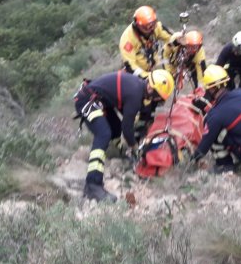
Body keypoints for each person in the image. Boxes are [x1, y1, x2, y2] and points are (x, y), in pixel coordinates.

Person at [73, 69, 175, 202]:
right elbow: (127, 129)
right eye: (158, 97)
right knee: (103, 134)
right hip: (87, 100)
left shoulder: (137, 87)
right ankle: (93, 184)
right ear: (151, 89)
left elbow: (127, 119)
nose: (157, 101)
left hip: (99, 101)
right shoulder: (135, 94)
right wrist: (134, 147)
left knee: (115, 128)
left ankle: (120, 153)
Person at [191, 65, 241, 174]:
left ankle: (225, 166)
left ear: (211, 88)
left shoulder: (214, 115)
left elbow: (203, 148)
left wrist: (192, 159)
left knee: (216, 133)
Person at [119, 6, 174, 80]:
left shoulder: (157, 27)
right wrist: (148, 77)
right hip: (135, 75)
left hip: (153, 67)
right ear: (137, 25)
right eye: (146, 27)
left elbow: (172, 38)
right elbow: (130, 66)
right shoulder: (128, 39)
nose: (151, 29)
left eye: (153, 24)